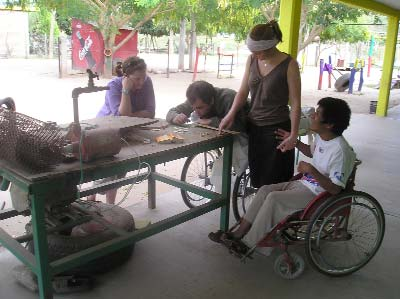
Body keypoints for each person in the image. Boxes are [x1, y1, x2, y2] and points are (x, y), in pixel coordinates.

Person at [210, 97, 356, 256]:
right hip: (305, 184)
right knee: (265, 190)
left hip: (319, 194)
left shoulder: (341, 151)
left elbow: (335, 189)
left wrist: (311, 170)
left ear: (329, 124)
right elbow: (311, 151)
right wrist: (293, 140)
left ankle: (247, 243)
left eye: (318, 114)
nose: (312, 115)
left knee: (274, 198)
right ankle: (237, 233)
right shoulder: (323, 137)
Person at [218, 20, 301, 188]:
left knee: (275, 182)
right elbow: (243, 92)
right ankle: (260, 213)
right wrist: (231, 113)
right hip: (255, 128)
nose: (255, 55)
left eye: (258, 52)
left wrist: (293, 134)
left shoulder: (289, 65)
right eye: (252, 52)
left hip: (277, 130)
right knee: (258, 179)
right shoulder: (252, 60)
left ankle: (275, 214)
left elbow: (296, 103)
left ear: (270, 46)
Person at [88, 56, 155, 204]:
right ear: (126, 77)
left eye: (143, 77)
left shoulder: (147, 82)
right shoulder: (114, 85)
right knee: (107, 172)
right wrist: (126, 90)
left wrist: (129, 116)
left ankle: (110, 206)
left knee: (120, 171)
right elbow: (120, 118)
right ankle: (90, 199)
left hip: (128, 132)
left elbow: (150, 112)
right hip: (106, 132)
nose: (141, 82)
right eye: (137, 79)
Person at [166, 80, 249, 175]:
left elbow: (240, 125)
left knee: (226, 168)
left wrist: (211, 121)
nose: (196, 112)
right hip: (224, 131)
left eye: (200, 108)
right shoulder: (196, 99)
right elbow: (171, 111)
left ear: (212, 100)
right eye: (193, 108)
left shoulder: (228, 98)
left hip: (248, 132)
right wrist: (175, 117)